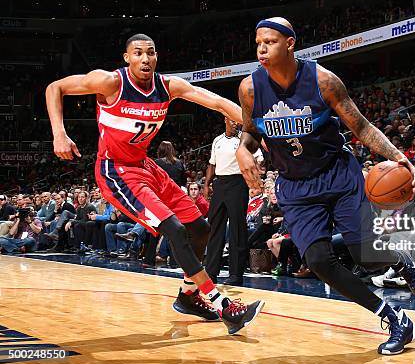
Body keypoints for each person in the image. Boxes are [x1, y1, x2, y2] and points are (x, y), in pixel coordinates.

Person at [45, 33, 263, 334]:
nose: (145, 59)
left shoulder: (168, 86)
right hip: (116, 171)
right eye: (138, 53)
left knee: (200, 228)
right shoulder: (110, 82)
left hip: (146, 167)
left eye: (150, 53)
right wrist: (59, 132)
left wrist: (259, 128)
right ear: (127, 58)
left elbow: (216, 102)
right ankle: (222, 305)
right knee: (173, 228)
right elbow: (55, 87)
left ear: (157, 57)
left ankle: (188, 296)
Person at [235, 18, 415, 355]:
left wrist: (400, 157)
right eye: (258, 43)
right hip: (295, 186)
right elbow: (252, 131)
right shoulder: (250, 88)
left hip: (337, 175)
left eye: (270, 42)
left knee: (365, 256)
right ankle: (396, 318)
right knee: (320, 261)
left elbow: (362, 127)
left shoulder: (324, 81)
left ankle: (401, 261)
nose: (262, 49)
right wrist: (242, 148)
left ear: (291, 43)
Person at [204, 117, 261, 286]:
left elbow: (257, 157)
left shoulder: (244, 140)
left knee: (237, 229)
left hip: (238, 183)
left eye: (237, 121)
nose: (236, 123)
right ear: (225, 121)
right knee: (215, 228)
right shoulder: (217, 140)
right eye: (232, 120)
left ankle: (236, 274)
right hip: (220, 184)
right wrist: (207, 183)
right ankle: (211, 272)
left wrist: (255, 177)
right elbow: (211, 164)